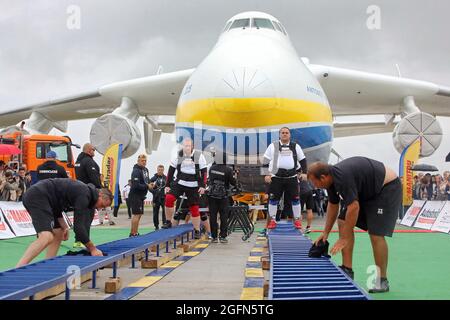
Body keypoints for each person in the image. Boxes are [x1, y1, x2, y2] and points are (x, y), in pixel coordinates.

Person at [308, 157, 401, 293]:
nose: (314, 186)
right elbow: (333, 205)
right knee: (342, 220)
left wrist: (344, 238)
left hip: (385, 188)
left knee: (376, 233)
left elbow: (354, 207)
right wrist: (325, 232)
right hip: (367, 192)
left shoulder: (342, 177)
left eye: (314, 182)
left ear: (323, 177)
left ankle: (382, 280)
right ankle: (347, 269)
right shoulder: (331, 181)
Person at [16, 178, 113, 267]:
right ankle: (19, 267)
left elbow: (57, 204)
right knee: (46, 236)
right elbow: (78, 228)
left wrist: (64, 226)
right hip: (38, 196)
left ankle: (48, 264)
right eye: (102, 205)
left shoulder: (85, 193)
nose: (100, 208)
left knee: (59, 232)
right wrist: (92, 249)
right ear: (100, 195)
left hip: (48, 201)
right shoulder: (84, 195)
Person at [263, 127, 307, 230]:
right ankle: (273, 220)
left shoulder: (295, 146)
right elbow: (265, 160)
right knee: (273, 200)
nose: (284, 134)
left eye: (286, 133)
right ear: (279, 134)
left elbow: (303, 160)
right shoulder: (272, 146)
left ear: (290, 135)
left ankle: (297, 220)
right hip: (276, 177)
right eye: (282, 133)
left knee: (295, 199)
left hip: (291, 177)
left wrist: (304, 173)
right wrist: (266, 174)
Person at [162, 138, 207, 240]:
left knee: (194, 207)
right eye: (185, 146)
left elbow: (204, 172)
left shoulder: (198, 156)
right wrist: (167, 185)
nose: (186, 148)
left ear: (192, 147)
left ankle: (197, 230)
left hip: (193, 184)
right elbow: (171, 171)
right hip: (180, 181)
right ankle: (168, 221)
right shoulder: (179, 155)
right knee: (169, 198)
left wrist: (203, 186)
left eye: (188, 146)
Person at [73, 143, 103, 249]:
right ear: (89, 150)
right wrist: (99, 188)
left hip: (77, 192)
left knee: (79, 217)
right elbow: (94, 178)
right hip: (89, 193)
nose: (94, 152)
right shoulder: (89, 161)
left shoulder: (78, 161)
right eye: (93, 150)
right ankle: (85, 241)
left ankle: (77, 240)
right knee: (87, 218)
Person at [207, 151, 236, 243]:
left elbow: (211, 180)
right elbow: (232, 182)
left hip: (212, 195)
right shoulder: (228, 169)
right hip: (223, 196)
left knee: (213, 216)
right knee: (224, 216)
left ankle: (214, 237)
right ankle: (223, 236)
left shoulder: (211, 168)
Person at [129, 154, 151, 237]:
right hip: (135, 195)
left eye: (145, 161)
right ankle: (132, 233)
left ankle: (135, 232)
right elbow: (135, 185)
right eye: (142, 161)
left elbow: (146, 181)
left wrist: (150, 184)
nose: (144, 162)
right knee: (136, 214)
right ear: (138, 161)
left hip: (141, 195)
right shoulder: (136, 171)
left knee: (139, 214)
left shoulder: (146, 170)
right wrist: (146, 186)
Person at [149, 165, 167, 230]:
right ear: (157, 170)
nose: (160, 171)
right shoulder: (153, 178)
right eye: (159, 170)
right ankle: (156, 226)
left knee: (165, 212)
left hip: (164, 198)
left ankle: (165, 224)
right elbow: (149, 187)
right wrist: (154, 192)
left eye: (161, 170)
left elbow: (168, 187)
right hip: (156, 198)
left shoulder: (166, 178)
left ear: (163, 170)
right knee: (155, 212)